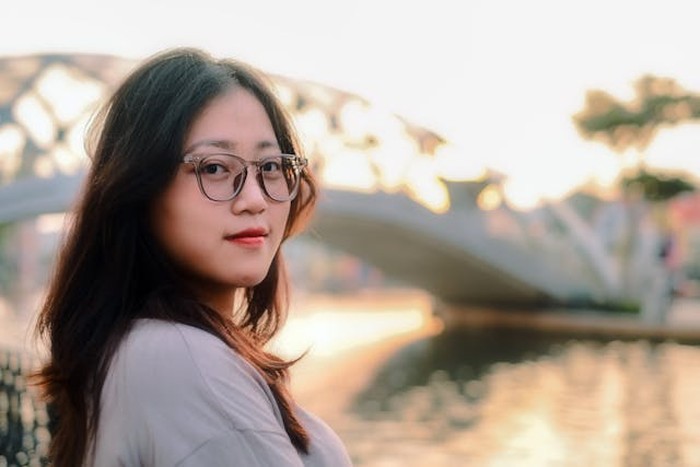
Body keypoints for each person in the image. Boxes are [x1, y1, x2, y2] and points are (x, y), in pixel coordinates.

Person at [32, 47, 352, 467]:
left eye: (271, 167)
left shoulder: (138, 352)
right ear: (140, 189)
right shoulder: (181, 361)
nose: (255, 199)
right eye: (214, 168)